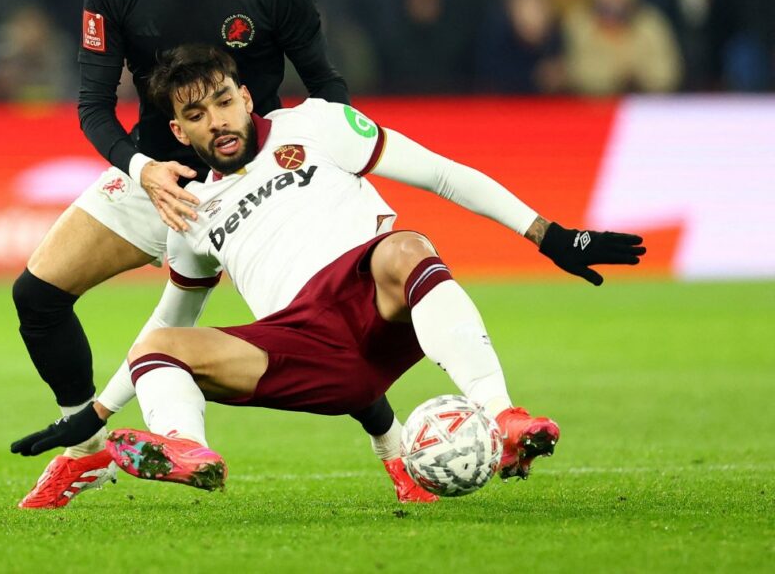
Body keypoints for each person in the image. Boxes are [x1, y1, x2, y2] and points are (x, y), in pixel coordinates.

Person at [9, 0, 419, 508]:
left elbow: (329, 92)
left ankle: (396, 449)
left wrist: (320, 177)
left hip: (258, 183)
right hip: (159, 176)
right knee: (37, 294)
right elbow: (91, 107)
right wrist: (142, 170)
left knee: (316, 334)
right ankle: (87, 456)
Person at [59, 43, 642, 494]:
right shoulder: (189, 212)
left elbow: (441, 173)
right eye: (195, 114)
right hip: (302, 348)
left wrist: (547, 234)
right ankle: (187, 451)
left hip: (376, 300)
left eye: (223, 101)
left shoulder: (316, 124)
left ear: (244, 95)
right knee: (158, 344)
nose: (216, 120)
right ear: (179, 132)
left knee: (406, 246)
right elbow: (172, 315)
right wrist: (97, 412)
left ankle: (502, 416)